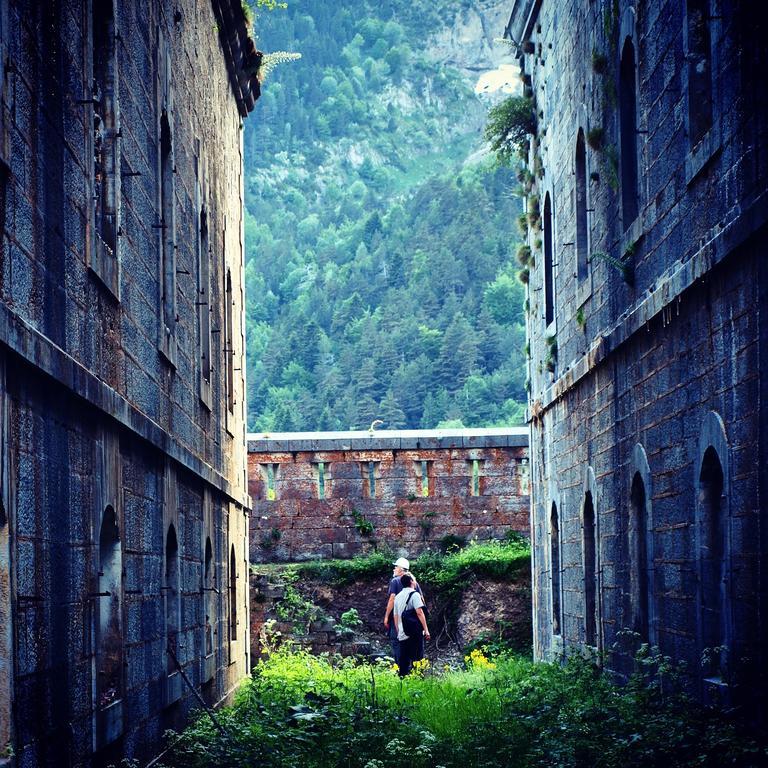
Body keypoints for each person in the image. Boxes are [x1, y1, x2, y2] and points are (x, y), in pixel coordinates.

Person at [383, 557, 424, 663]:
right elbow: (422, 601)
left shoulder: (395, 581)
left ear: (401, 569)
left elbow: (392, 599)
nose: (394, 569)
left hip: (398, 619)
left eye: (395, 567)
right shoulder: (414, 582)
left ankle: (401, 669)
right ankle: (415, 670)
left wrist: (387, 616)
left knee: (397, 642)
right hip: (413, 620)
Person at [393, 573, 430, 677]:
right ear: (411, 582)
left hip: (402, 633)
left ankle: (403, 680)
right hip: (414, 632)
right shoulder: (415, 594)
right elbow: (419, 612)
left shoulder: (398, 596)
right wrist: (426, 630)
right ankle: (418, 679)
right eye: (414, 579)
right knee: (417, 657)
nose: (415, 581)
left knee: (404, 659)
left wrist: (399, 630)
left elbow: (395, 616)